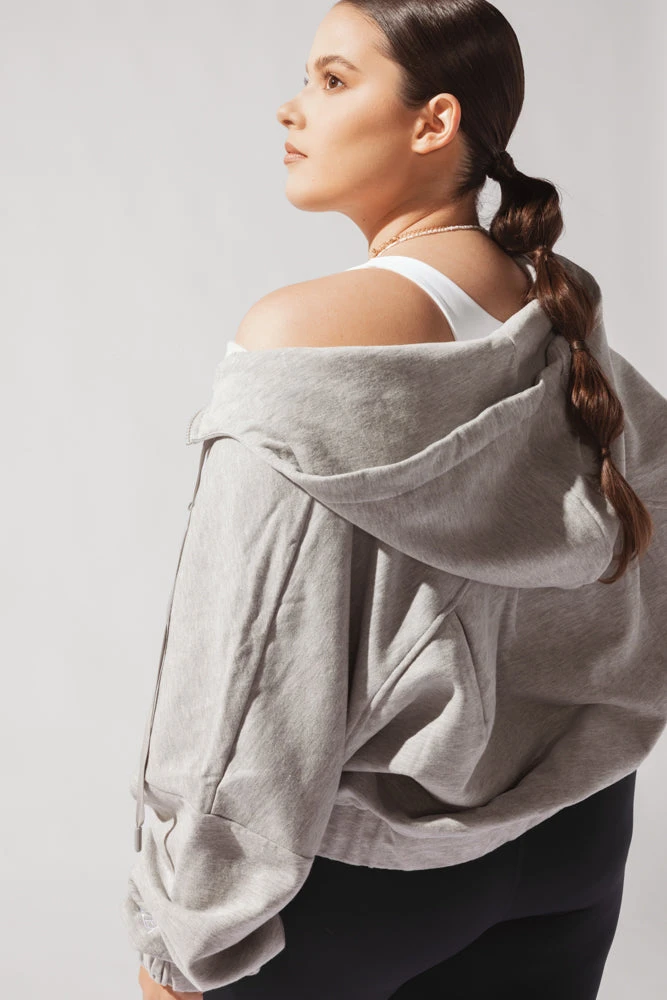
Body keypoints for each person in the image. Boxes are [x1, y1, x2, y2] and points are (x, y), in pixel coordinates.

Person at [123, 1, 667, 998]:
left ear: (434, 123)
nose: (292, 108)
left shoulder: (301, 338)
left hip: (355, 882)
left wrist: (181, 926)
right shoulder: (559, 323)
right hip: (573, 835)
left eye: (333, 80)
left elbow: (246, 658)